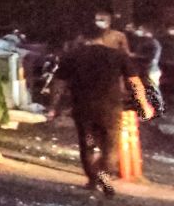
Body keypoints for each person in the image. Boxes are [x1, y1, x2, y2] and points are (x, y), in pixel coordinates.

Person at [50, 21, 147, 196]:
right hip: (110, 108)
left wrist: (53, 106)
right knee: (110, 145)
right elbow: (134, 82)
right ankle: (104, 175)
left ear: (82, 37)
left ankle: (92, 179)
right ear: (104, 36)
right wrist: (143, 104)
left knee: (88, 144)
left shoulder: (72, 55)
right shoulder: (118, 56)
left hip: (83, 107)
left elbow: (58, 83)